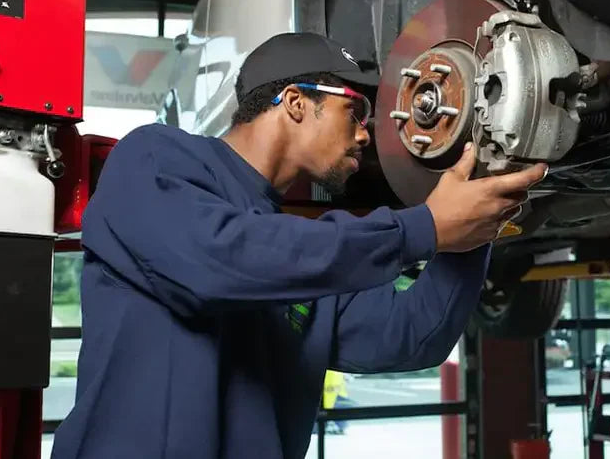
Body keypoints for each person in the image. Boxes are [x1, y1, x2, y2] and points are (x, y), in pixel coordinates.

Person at [51, 32, 548, 459]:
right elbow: (222, 260)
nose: (365, 135)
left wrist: (475, 214)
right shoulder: (155, 157)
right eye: (354, 110)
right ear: (294, 102)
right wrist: (424, 228)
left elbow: (414, 334)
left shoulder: (305, 260)